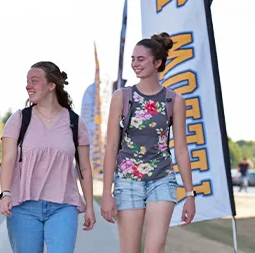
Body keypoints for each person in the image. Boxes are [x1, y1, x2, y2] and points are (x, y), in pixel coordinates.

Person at [101, 33, 196, 253]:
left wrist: (190, 195)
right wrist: (107, 193)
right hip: (127, 182)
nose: (135, 64)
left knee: (155, 249)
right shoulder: (122, 97)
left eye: (141, 59)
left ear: (157, 63)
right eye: (133, 59)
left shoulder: (174, 100)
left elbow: (181, 149)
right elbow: (111, 147)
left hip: (162, 181)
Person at [0, 61, 96, 253]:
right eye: (27, 81)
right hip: (23, 206)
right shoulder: (19, 119)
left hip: (63, 206)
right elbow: (8, 159)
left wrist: (91, 207)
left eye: (34, 81)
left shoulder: (75, 122)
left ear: (51, 86)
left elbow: (84, 168)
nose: (28, 86)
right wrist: (6, 193)